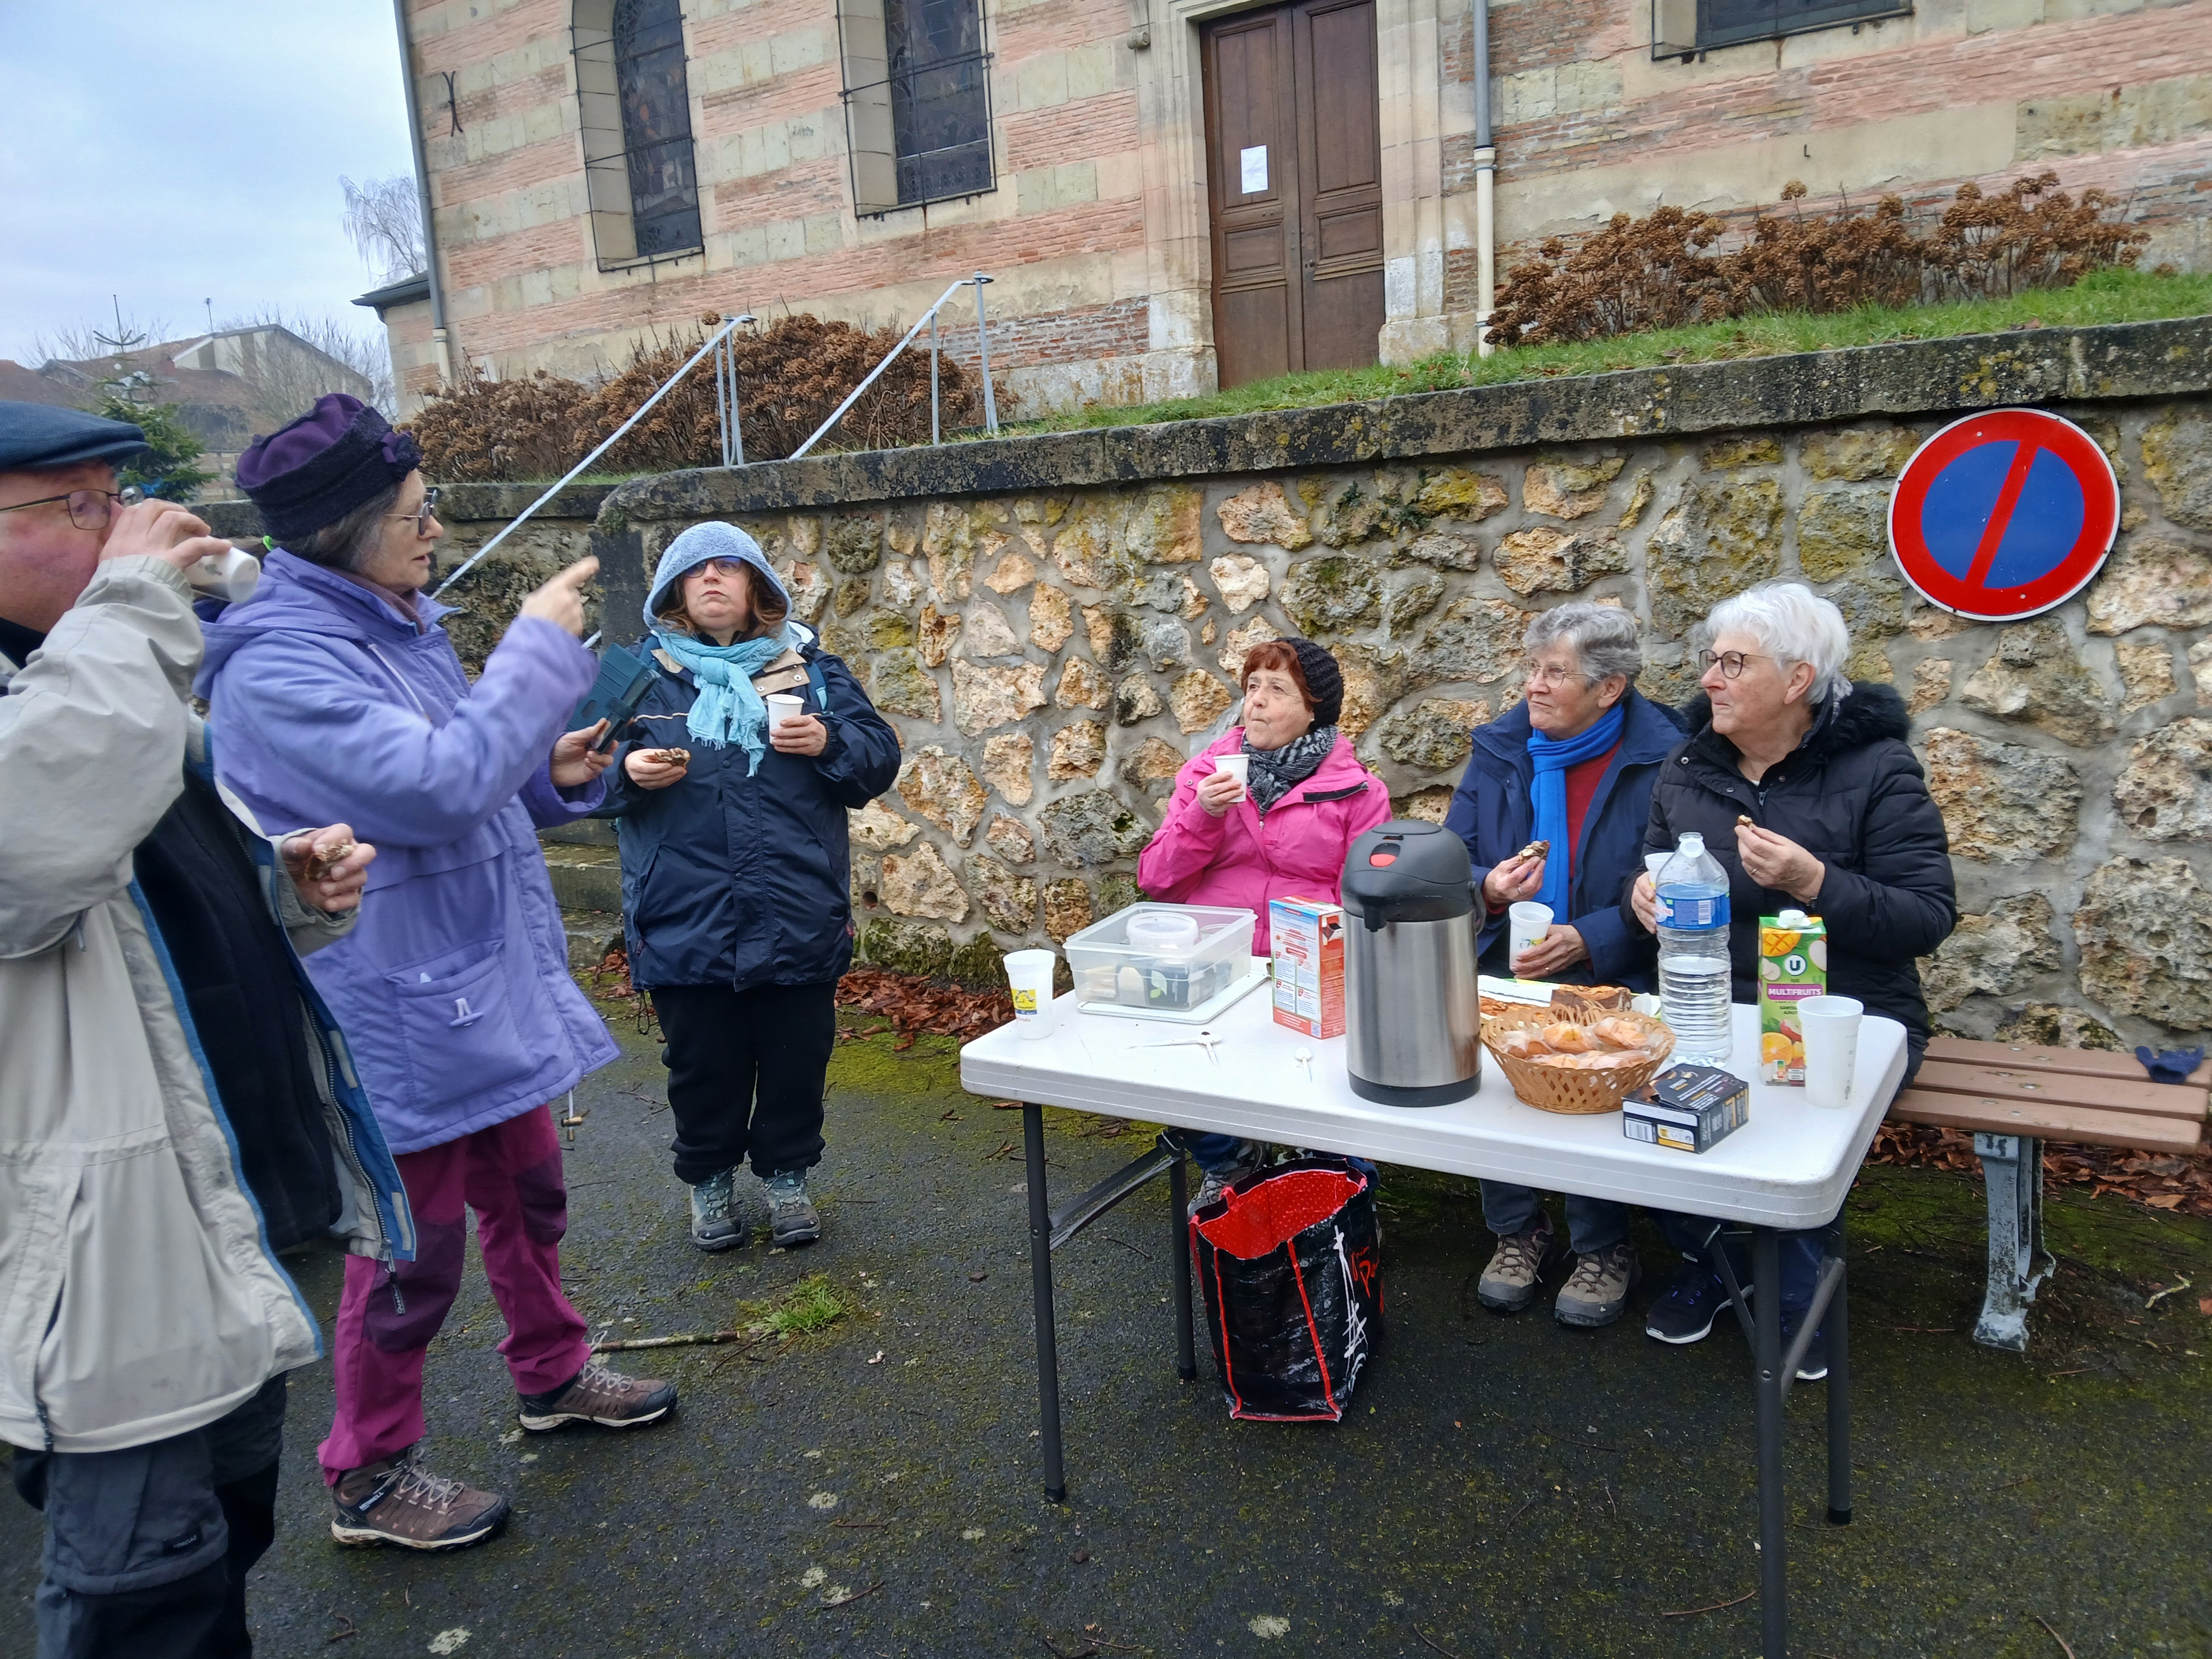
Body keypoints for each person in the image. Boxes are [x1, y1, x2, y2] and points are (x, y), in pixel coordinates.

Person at [196, 394, 675, 1553]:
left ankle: (554, 1373)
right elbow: (432, 790)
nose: (436, 530)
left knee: (533, 1194)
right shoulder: (281, 666)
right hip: (393, 1003)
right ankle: (367, 1473)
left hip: (476, 976)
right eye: (414, 514)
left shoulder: (395, 625)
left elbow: (464, 771)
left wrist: (538, 764)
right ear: (341, 533)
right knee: (411, 1253)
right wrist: (536, 651)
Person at [0, 402, 409, 1657]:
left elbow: (137, 909)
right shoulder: (95, 675)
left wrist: (282, 887)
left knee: (225, 1544)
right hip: (102, 1259)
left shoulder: (88, 684)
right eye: (73, 505)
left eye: (113, 497)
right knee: (140, 1598)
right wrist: (133, 603)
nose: (116, 525)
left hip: (216, 1205)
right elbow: (35, 849)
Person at [1628, 581, 1956, 1378]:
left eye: (1734, 663)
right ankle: (1723, 1262)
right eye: (1712, 660)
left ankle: (1788, 1273)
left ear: (1797, 680)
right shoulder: (1689, 765)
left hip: (1848, 1011)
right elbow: (1655, 868)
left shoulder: (1878, 768)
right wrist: (1643, 899)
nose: (1710, 679)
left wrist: (1816, 882)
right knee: (1643, 1097)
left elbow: (1926, 916)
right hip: (1713, 1001)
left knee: (1784, 1107)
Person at [605, 523, 900, 1252]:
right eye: (695, 570)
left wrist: (830, 741)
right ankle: (709, 1184)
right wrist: (624, 776)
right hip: (683, 918)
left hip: (795, 910)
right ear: (674, 590)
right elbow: (571, 776)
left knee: (796, 1057)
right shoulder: (635, 676)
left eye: (728, 569)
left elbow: (878, 760)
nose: (712, 580)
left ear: (756, 589)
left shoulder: (811, 670)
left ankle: (788, 1176)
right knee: (703, 1064)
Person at [1444, 601, 1684, 1329]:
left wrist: (1590, 938)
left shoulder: (1664, 757)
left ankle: (1603, 1246)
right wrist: (1486, 885)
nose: (1535, 688)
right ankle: (1518, 1231)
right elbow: (1452, 855)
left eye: (1555, 673)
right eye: (1531, 670)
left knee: (1591, 1088)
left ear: (1609, 689)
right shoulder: (1501, 749)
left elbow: (1671, 882)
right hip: (1505, 962)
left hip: (1613, 970)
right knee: (1489, 1081)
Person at [1137, 637, 1392, 1201]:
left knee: (1330, 1090)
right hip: (1215, 965)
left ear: (1312, 711)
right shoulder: (1204, 775)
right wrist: (1203, 815)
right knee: (1169, 1066)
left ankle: (1337, 1186)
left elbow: (1367, 899)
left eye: (1277, 690)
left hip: (1308, 971)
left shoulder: (1360, 793)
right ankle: (1229, 1162)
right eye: (1252, 686)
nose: (1256, 702)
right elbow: (1155, 879)